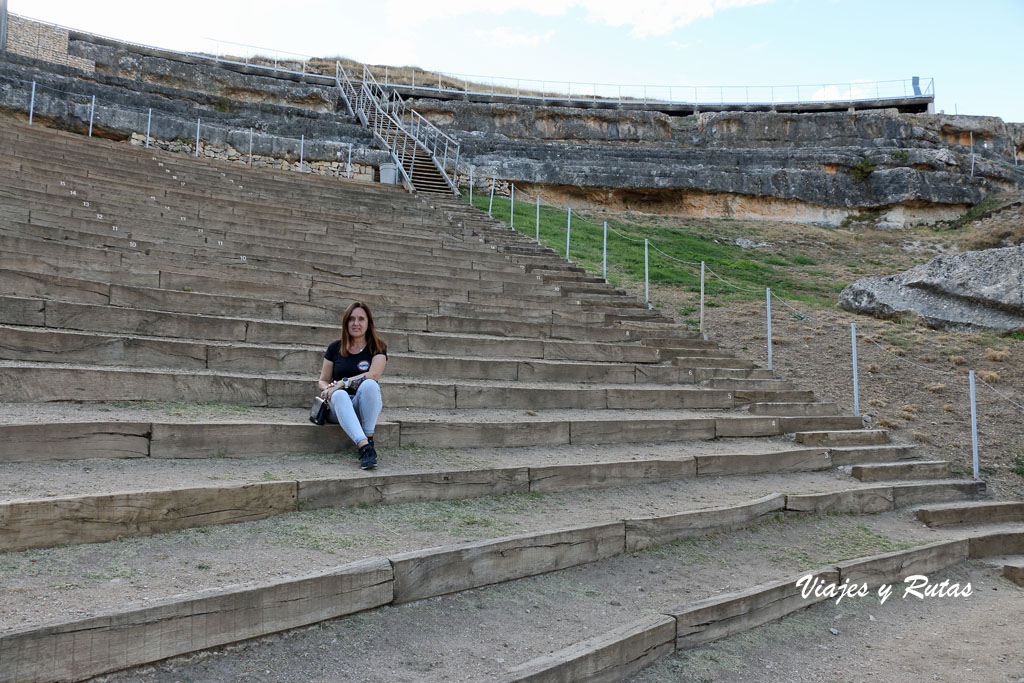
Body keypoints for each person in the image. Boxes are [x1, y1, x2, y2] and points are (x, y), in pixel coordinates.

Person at [317, 301, 387, 469]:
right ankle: (364, 447)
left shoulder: (378, 347)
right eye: (352, 319)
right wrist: (328, 388)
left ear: (368, 323)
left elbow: (374, 374)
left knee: (370, 384)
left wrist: (343, 382)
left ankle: (368, 438)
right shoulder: (335, 348)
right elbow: (322, 380)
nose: (356, 323)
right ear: (346, 322)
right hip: (339, 407)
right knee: (340, 394)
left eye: (361, 319)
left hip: (362, 405)